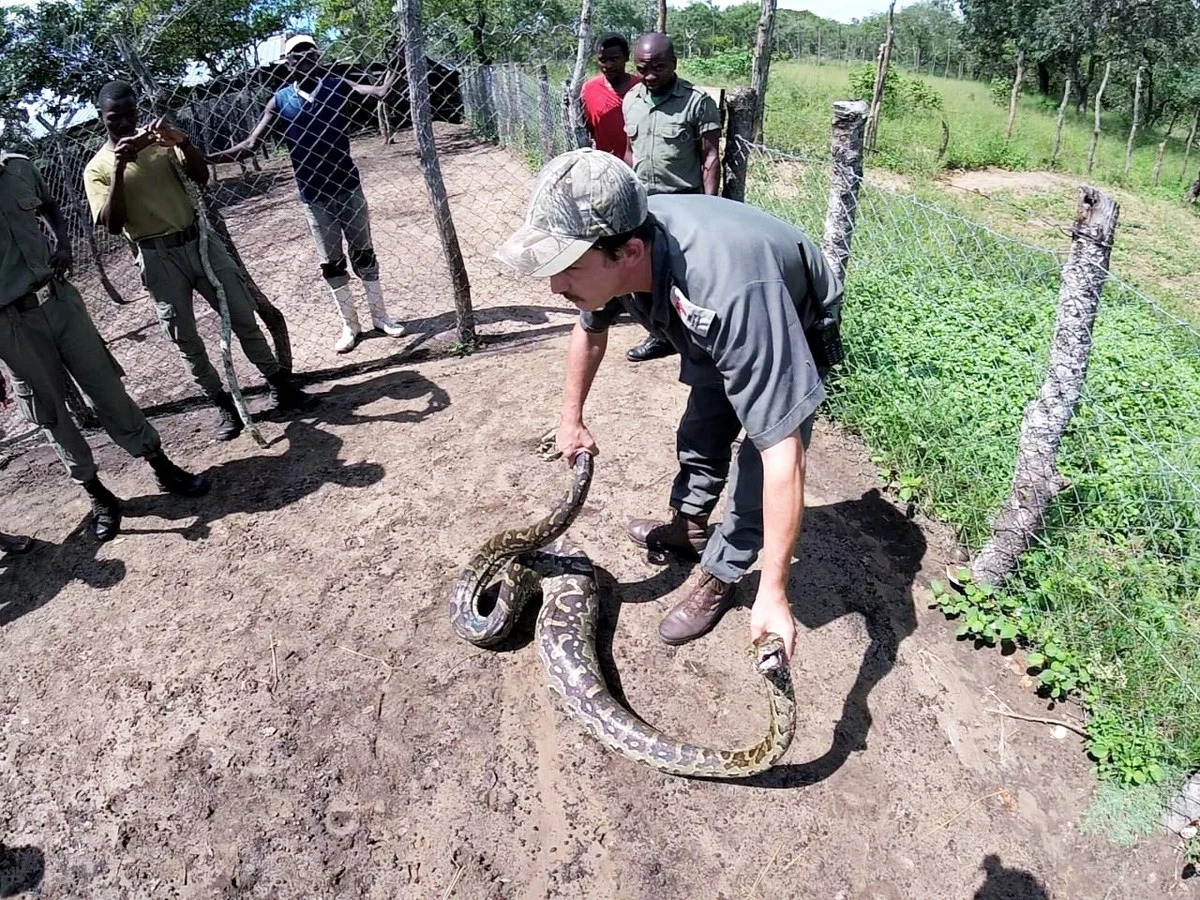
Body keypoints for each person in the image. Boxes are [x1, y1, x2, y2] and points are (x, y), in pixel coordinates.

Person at [495, 149, 843, 659]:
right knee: (704, 419)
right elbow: (588, 330)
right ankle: (690, 523)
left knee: (756, 456)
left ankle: (722, 573)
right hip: (705, 307)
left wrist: (773, 592)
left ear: (629, 252)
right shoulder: (618, 237)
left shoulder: (731, 294)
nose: (554, 285)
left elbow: (782, 454)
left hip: (782, 311)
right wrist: (570, 420)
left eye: (566, 266)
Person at [83, 81, 316, 444]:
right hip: (156, 257)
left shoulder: (161, 145)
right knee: (185, 338)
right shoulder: (96, 168)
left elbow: (201, 177)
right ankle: (223, 404)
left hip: (200, 243)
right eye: (116, 118)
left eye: (132, 115)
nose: (126, 124)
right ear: (101, 117)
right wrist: (118, 168)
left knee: (241, 314)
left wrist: (183, 142)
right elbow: (112, 225)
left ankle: (280, 385)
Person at [1, 148, 208, 542]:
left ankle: (159, 464)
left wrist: (62, 244)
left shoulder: (18, 168)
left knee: (106, 385)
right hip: (9, 323)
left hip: (59, 299)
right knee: (48, 410)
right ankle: (98, 495)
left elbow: (49, 206)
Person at [207, 34, 407, 355]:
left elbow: (381, 92)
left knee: (364, 253)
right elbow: (250, 145)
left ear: (318, 57)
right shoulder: (280, 100)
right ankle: (350, 325)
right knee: (331, 262)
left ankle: (380, 316)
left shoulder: (336, 85)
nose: (303, 58)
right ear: (287, 63)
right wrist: (204, 158)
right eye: (296, 55)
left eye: (309, 52)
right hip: (314, 197)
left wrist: (398, 60)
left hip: (348, 187)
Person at [620, 33, 721, 365]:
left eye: (658, 68)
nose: (650, 76)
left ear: (674, 63)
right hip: (643, 206)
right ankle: (661, 336)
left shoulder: (697, 102)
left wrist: (711, 209)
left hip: (684, 206)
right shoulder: (632, 99)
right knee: (640, 278)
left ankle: (699, 344)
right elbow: (630, 151)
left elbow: (709, 158)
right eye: (643, 68)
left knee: (685, 277)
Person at [580, 34, 641, 160]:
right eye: (603, 60)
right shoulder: (588, 90)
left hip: (639, 164)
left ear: (626, 57)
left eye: (614, 59)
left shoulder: (642, 87)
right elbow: (589, 128)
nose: (608, 65)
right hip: (606, 164)